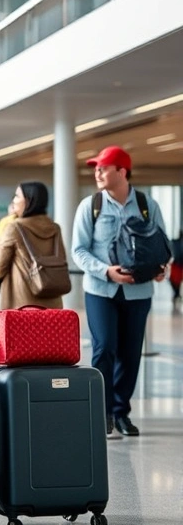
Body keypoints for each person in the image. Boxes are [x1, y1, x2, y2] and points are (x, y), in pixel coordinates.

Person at [71, 145, 168, 439]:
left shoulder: (146, 204)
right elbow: (79, 250)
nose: (97, 172)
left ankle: (121, 411)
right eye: (96, 168)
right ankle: (101, 413)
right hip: (101, 290)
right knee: (104, 348)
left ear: (122, 171)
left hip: (139, 292)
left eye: (103, 167)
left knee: (130, 353)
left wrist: (160, 266)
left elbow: (161, 244)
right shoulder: (91, 205)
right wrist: (106, 271)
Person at [0, 182, 67, 325]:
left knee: (21, 346)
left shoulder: (14, 227)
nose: (14, 201)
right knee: (47, 344)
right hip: (52, 303)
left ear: (29, 200)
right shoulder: (54, 228)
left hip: (21, 305)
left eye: (17, 196)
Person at [169, 231, 183, 311]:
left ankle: (177, 294)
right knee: (176, 281)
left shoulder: (175, 242)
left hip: (178, 264)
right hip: (177, 264)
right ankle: (177, 294)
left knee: (175, 281)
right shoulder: (176, 242)